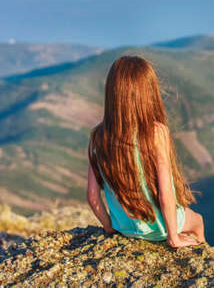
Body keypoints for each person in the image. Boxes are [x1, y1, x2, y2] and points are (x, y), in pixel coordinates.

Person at [86, 55, 206, 249]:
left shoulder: (98, 136)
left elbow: (92, 197)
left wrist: (110, 227)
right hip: (160, 228)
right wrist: (173, 238)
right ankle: (202, 252)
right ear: (148, 93)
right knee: (198, 221)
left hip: (124, 227)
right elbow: (166, 193)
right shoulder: (156, 132)